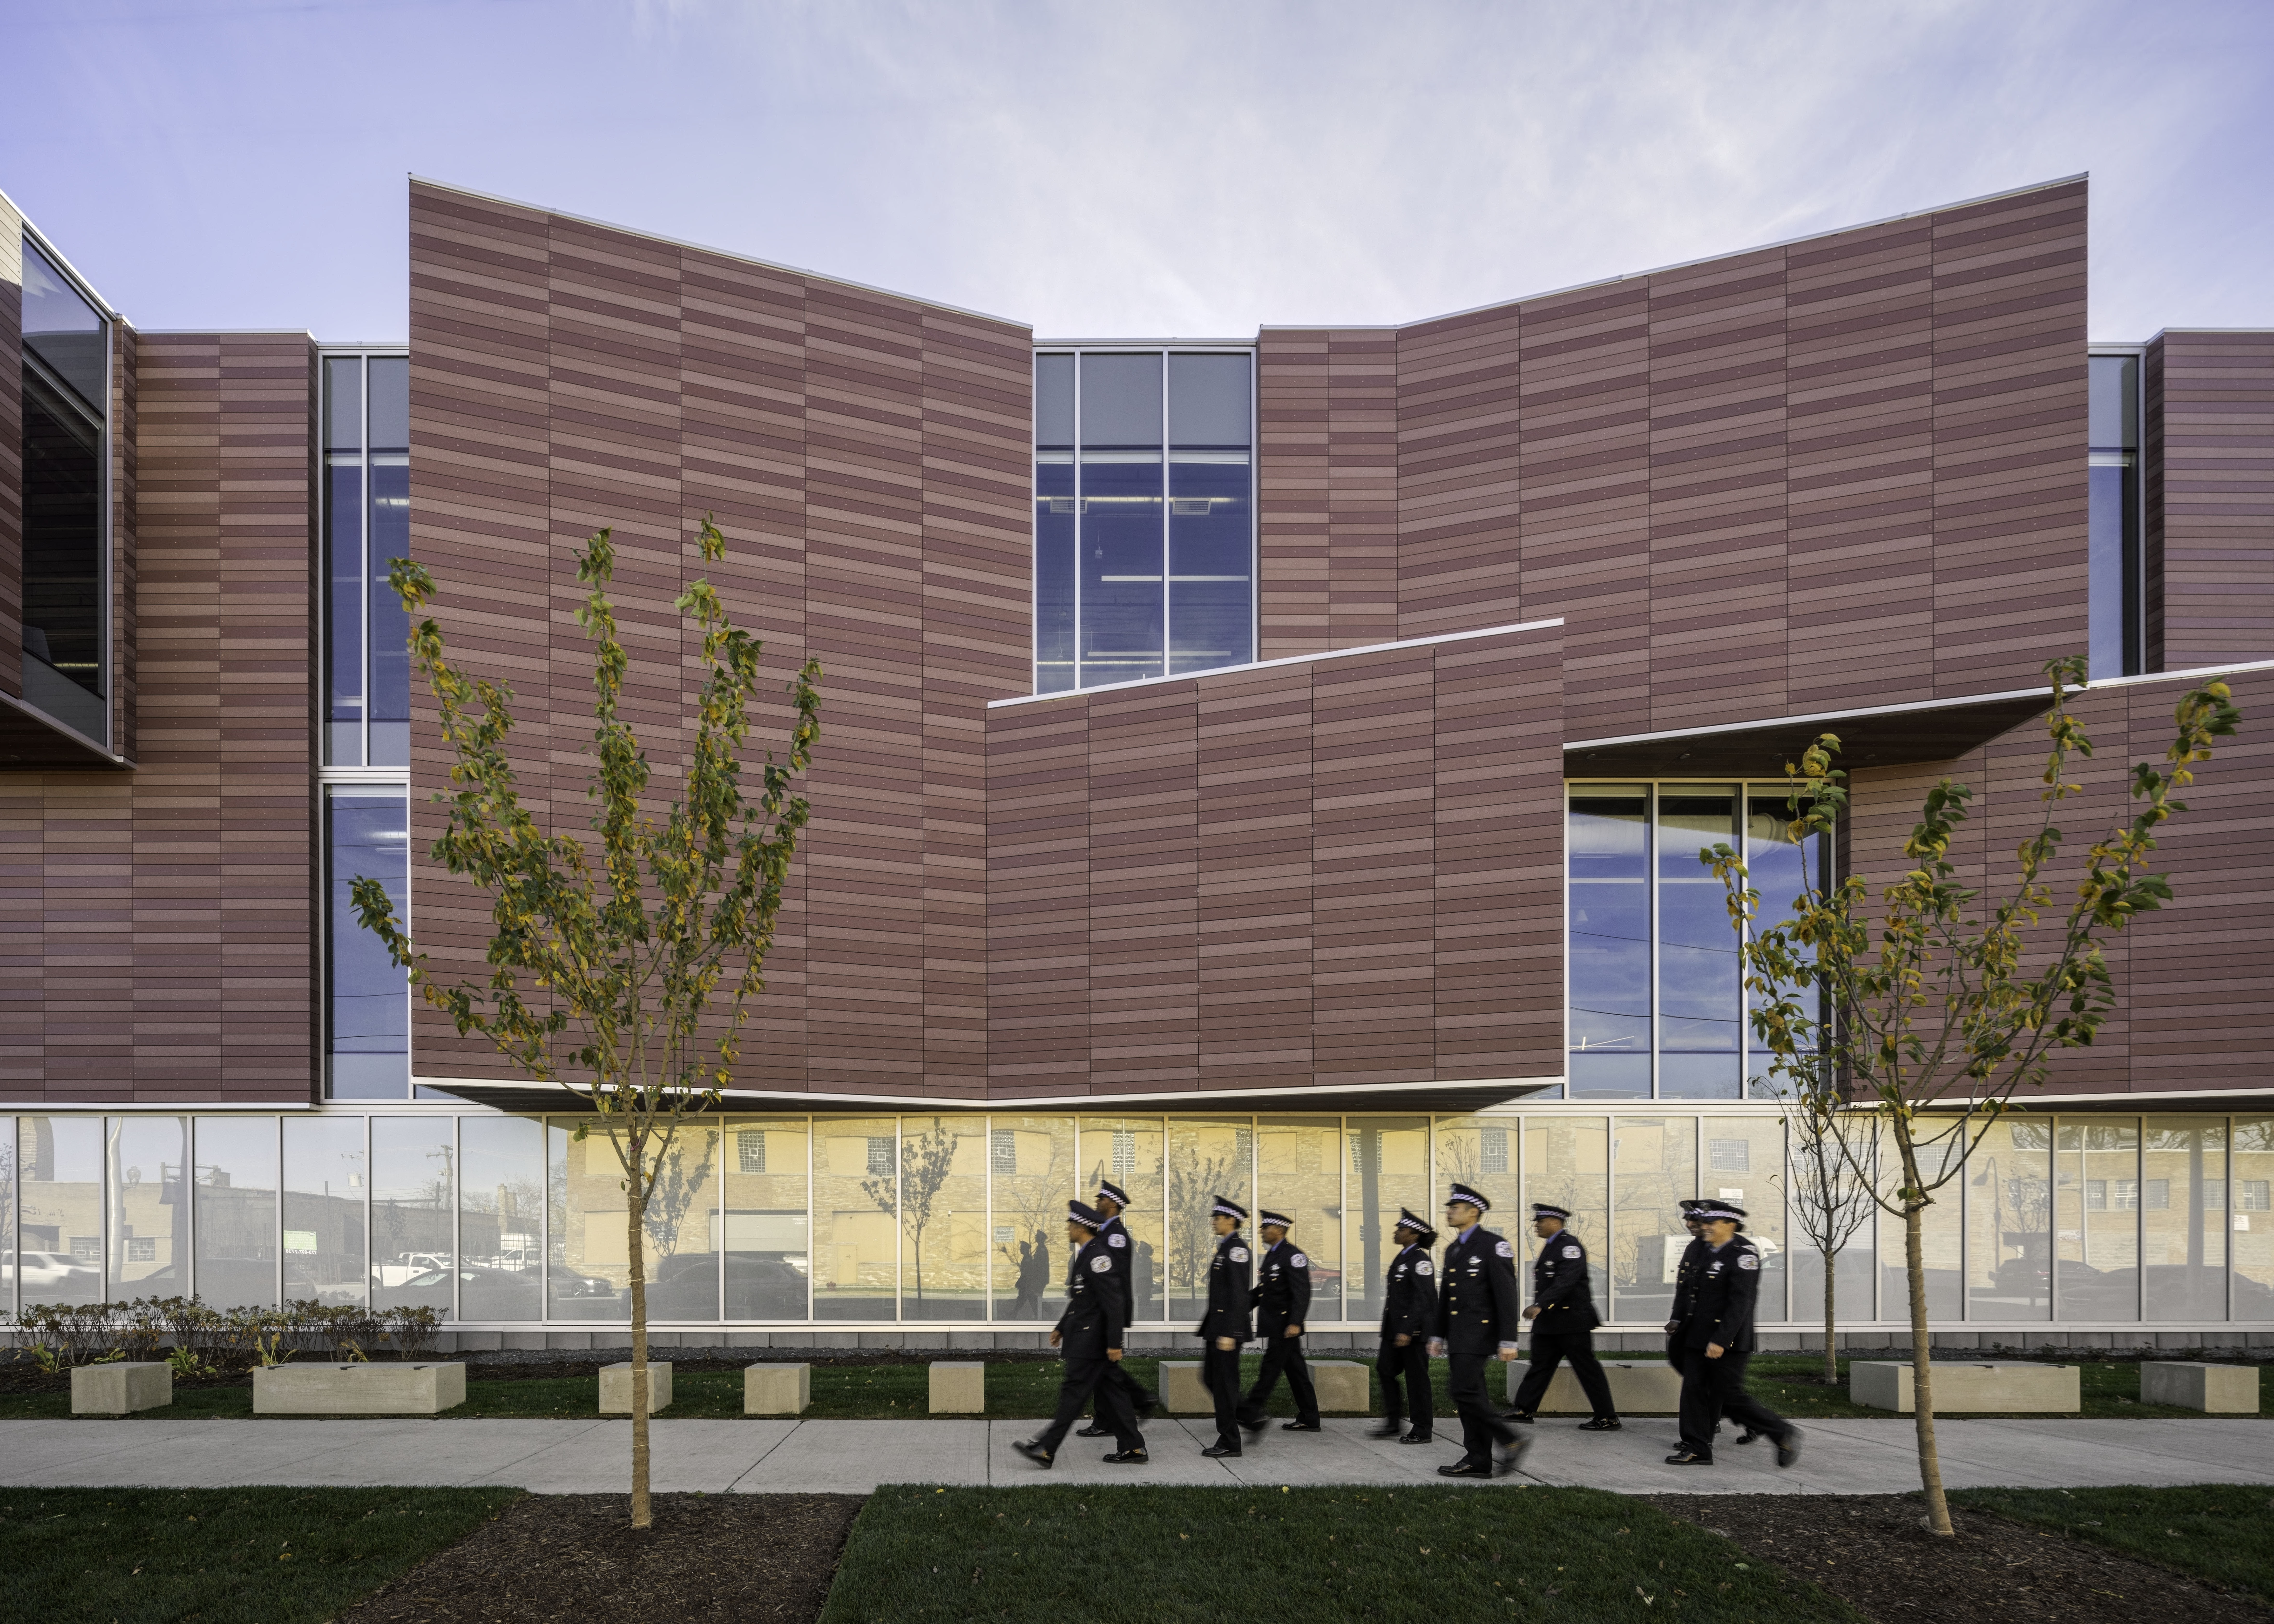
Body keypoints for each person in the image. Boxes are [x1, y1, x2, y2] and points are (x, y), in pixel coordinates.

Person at [1665, 1202, 1801, 1469]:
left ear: (1730, 1224)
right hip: (1696, 1335)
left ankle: (1779, 1430)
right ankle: (1698, 1448)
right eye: (1704, 1222)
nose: (1704, 1226)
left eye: (1711, 1222)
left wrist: (1721, 1339)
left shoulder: (1743, 1254)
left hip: (1726, 1341)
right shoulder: (1705, 1249)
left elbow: (1741, 1303)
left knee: (1730, 1394)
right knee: (1694, 1392)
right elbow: (1690, 1291)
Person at [1014, 1200, 1147, 1468]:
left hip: (1092, 1341)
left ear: (1081, 1226)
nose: (1068, 1229)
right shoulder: (1087, 1254)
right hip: (1088, 1337)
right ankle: (1133, 1446)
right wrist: (1061, 1327)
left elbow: (1113, 1302)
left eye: (1071, 1224)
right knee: (1114, 1391)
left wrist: (1114, 1343)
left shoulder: (1099, 1256)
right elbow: (1081, 1299)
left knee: (1073, 1395)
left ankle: (1046, 1448)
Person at [1428, 1181, 1530, 1478]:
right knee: (1472, 1395)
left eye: (1455, 1207)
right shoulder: (1454, 1248)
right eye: (1449, 1207)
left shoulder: (1493, 1245)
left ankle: (1510, 1439)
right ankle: (1479, 1459)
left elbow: (1506, 1294)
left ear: (1473, 1212)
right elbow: (1447, 1295)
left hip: (1480, 1333)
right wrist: (1438, 1333)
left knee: (1462, 1390)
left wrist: (1509, 1338)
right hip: (1460, 1334)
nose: (1449, 1212)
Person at [1505, 1202, 1620, 1431]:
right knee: (1540, 1365)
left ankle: (1607, 1417)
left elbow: (1566, 1280)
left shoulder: (1569, 1246)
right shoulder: (1552, 1246)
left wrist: (1540, 1305)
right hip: (1550, 1322)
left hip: (1572, 1321)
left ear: (1556, 1222)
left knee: (1586, 1368)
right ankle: (1524, 1409)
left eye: (1541, 1221)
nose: (1536, 1225)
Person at [1077, 1178, 1160, 1437]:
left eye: (1101, 1199)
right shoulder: (1106, 1232)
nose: (1097, 1202)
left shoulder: (1115, 1236)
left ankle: (1138, 1402)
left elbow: (1109, 1278)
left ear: (1113, 1203)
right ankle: (1108, 1418)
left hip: (1108, 1311)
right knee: (1103, 1369)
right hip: (1103, 1310)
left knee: (1105, 1368)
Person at [1238, 1208, 1320, 1434]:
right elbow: (1266, 1290)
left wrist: (1296, 1322)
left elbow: (1302, 1291)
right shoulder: (1274, 1254)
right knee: (1296, 1373)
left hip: (1285, 1326)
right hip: (1277, 1324)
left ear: (1280, 1230)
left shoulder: (1293, 1255)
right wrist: (1242, 1306)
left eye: (1267, 1227)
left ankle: (1250, 1412)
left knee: (1270, 1370)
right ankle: (1310, 1418)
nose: (1262, 1231)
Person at [1367, 1207, 1437, 1444]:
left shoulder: (1420, 1261)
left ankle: (1422, 1428)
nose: (1396, 1231)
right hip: (1395, 1331)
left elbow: (1422, 1298)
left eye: (1402, 1228)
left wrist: (1408, 1330)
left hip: (1414, 1333)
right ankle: (1394, 1421)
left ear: (1414, 1235)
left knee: (1417, 1379)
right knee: (1385, 1370)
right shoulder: (1403, 1256)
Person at [1194, 1195, 1253, 1458]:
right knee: (1210, 1378)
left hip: (1227, 1331)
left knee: (1225, 1385)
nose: (1214, 1223)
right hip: (1217, 1328)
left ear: (1231, 1220)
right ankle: (1251, 1418)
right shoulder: (1226, 1247)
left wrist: (1230, 1332)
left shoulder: (1237, 1249)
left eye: (1218, 1218)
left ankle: (1230, 1441)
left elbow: (1239, 1295)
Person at [1009, 1238, 1042, 1319]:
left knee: (1025, 1300)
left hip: (1026, 1283)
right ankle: (1014, 1314)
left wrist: (1026, 1284)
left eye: (1022, 1248)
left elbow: (1027, 1273)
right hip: (1026, 1283)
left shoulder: (1028, 1259)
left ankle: (1013, 1315)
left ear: (1026, 1249)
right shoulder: (1026, 1258)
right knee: (1025, 1300)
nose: (1020, 1249)